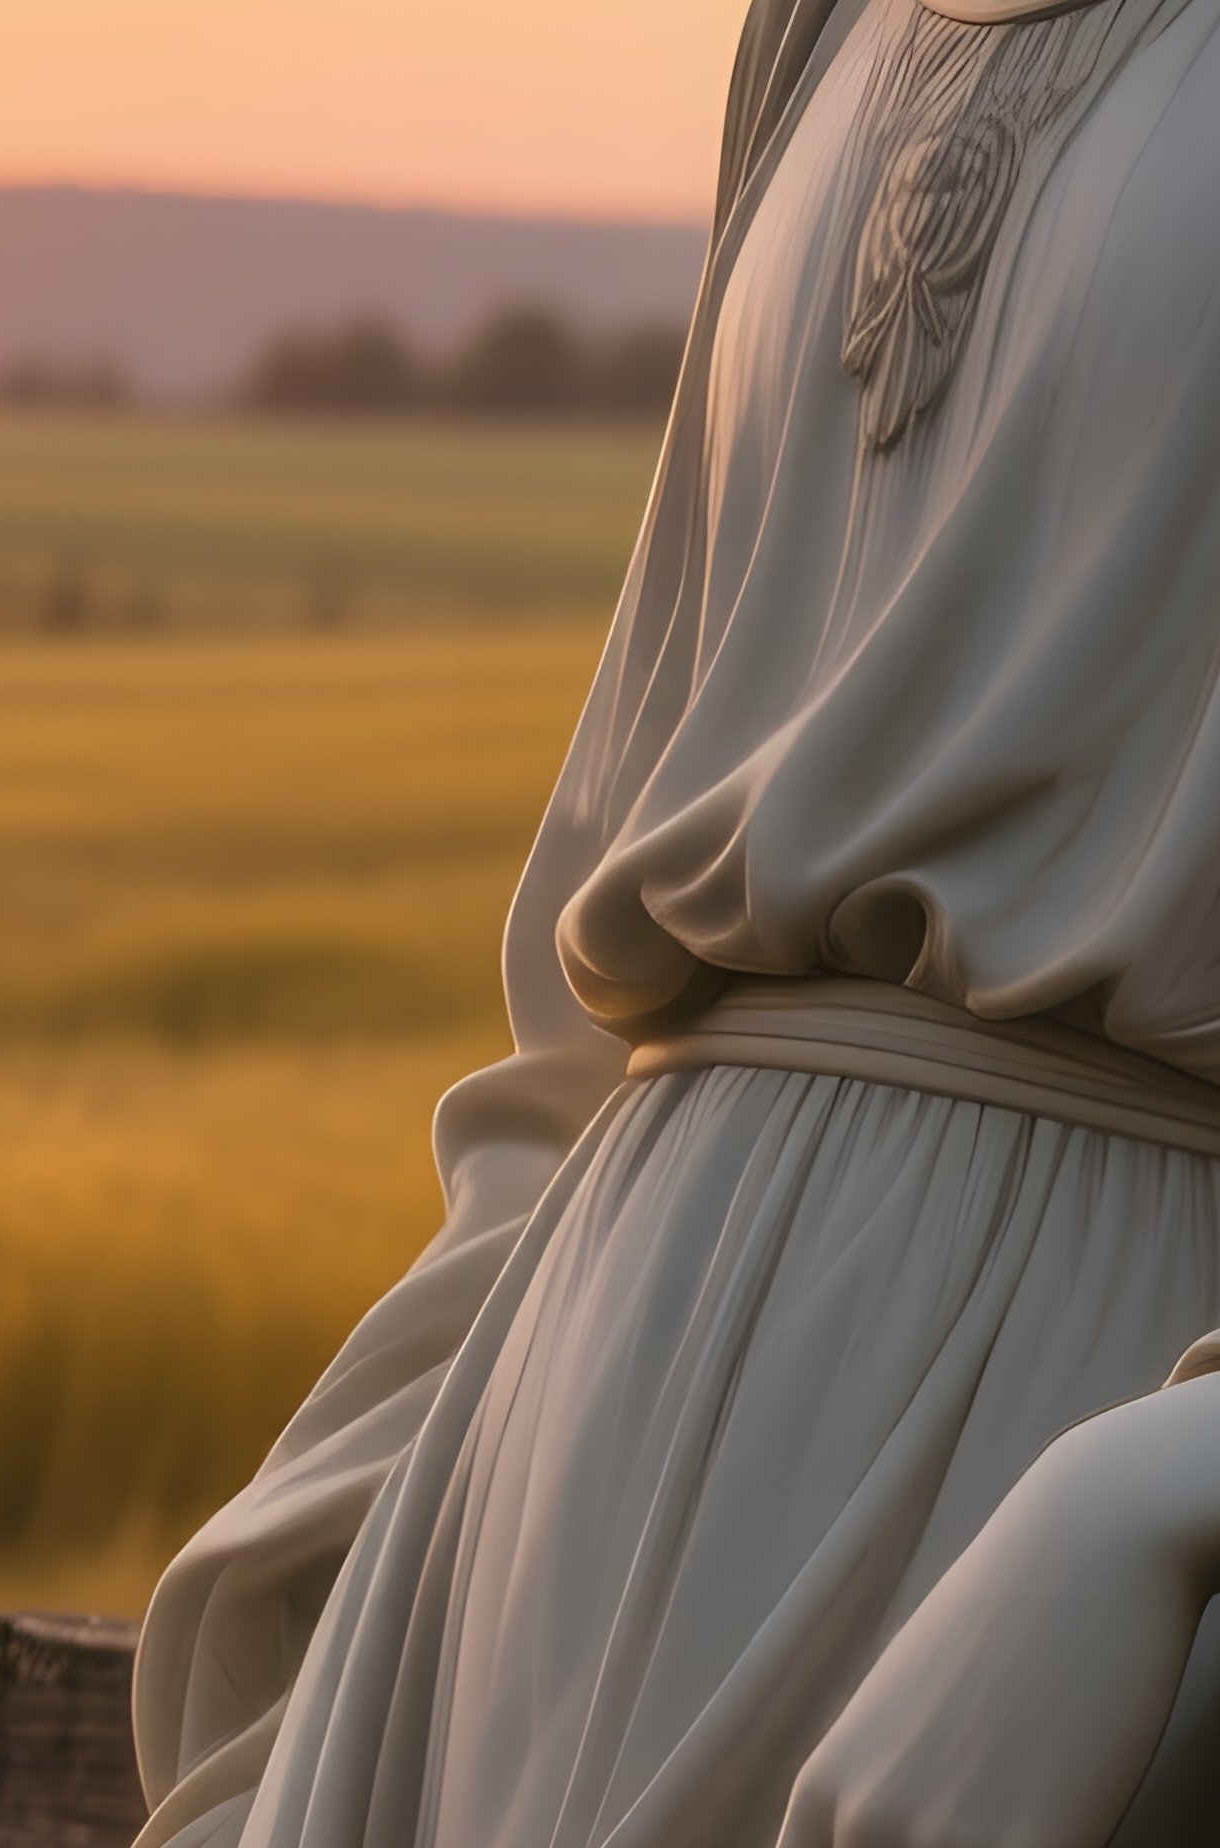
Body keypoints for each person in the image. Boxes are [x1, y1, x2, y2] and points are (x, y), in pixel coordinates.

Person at [130, 0, 1220, 1841]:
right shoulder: (815, 25)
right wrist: (347, 1554)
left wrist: (1172, 1497)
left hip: (1055, 1550)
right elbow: (606, 926)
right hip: (519, 1544)